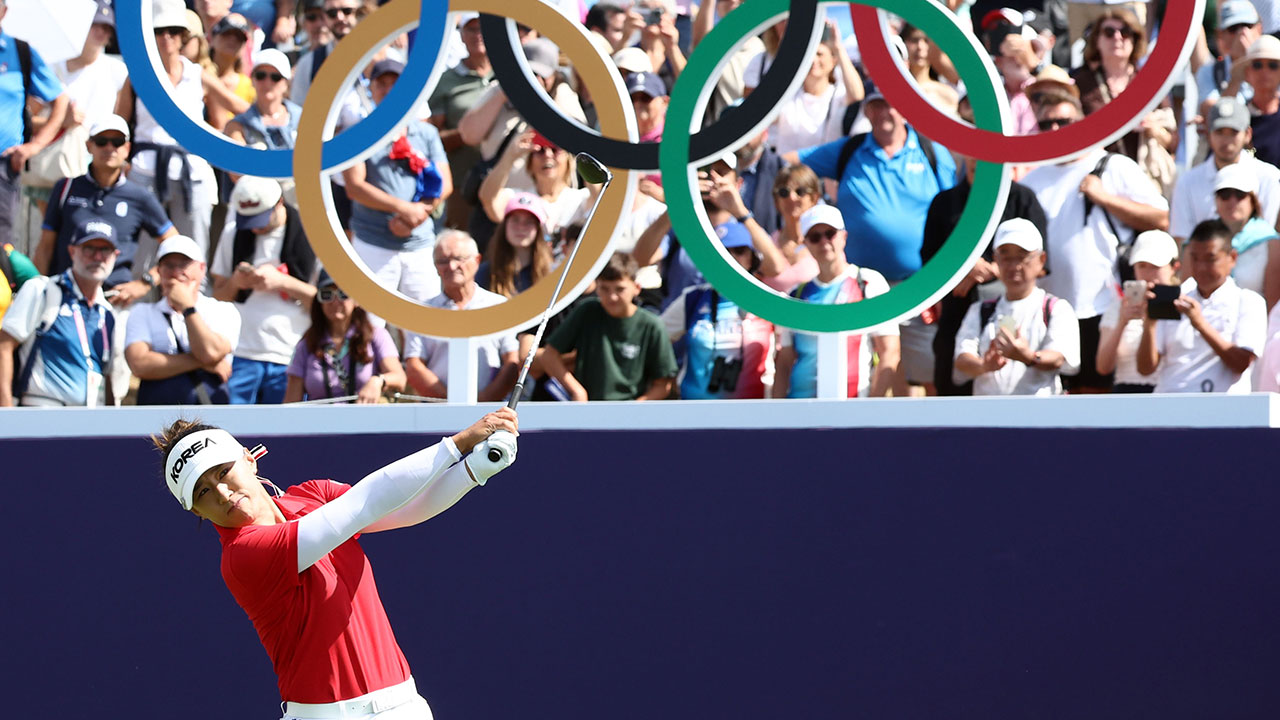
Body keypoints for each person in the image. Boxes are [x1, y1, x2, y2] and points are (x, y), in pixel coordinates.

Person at [150, 406, 518, 720]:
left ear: (248, 458)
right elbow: (366, 503)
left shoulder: (313, 494)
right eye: (203, 492)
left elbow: (406, 508)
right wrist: (460, 442)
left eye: (222, 471)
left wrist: (475, 470)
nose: (222, 492)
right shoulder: (242, 557)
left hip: (404, 705)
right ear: (196, 510)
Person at [1020, 90, 1169, 393]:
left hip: (1100, 306)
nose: (1056, 130)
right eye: (1046, 124)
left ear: (1083, 122)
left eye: (1065, 121)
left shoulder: (1114, 165)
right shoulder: (1032, 179)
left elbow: (1160, 217)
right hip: (1049, 310)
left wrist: (1104, 198)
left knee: (1095, 395)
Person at [923, 97, 1049, 396]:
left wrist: (991, 269)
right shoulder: (944, 204)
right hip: (956, 319)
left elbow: (1043, 263)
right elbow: (928, 264)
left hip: (1013, 328)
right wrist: (962, 270)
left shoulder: (1023, 199)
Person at [116, 0, 250, 258]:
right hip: (145, 168)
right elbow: (120, 122)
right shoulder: (137, 75)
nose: (167, 38)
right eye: (160, 31)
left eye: (174, 31)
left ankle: (194, 297)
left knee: (194, 248)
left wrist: (281, 112)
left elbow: (238, 105)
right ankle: (136, 297)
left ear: (183, 37)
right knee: (140, 252)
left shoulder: (196, 74)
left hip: (191, 168)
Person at [36, 115, 177, 306]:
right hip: (63, 297)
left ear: (127, 148)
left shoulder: (140, 196)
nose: (109, 148)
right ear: (89, 146)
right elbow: (45, 247)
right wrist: (39, 291)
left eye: (117, 142)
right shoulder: (65, 188)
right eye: (102, 141)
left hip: (115, 299)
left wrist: (146, 282)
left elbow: (175, 245)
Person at [344, 59, 451, 310]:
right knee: (370, 324)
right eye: (382, 83)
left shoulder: (425, 133)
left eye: (396, 84)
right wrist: (405, 210)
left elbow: (445, 182)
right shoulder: (358, 133)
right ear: (371, 89)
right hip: (372, 243)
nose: (389, 89)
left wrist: (417, 214)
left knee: (426, 324)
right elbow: (354, 186)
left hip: (419, 243)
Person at [773, 205, 900, 399]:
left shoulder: (867, 282)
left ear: (844, 236)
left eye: (830, 233)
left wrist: (873, 409)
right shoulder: (797, 294)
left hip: (854, 407)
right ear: (805, 243)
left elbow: (890, 351)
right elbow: (784, 362)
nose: (823, 242)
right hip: (799, 408)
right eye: (815, 237)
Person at [211, 176, 317, 404]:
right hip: (241, 355)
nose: (255, 228)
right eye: (248, 221)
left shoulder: (313, 236)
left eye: (259, 220)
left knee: (286, 434)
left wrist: (283, 283)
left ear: (279, 203)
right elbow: (217, 296)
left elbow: (330, 303)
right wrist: (236, 283)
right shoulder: (233, 233)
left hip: (290, 355)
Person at [954, 219, 1082, 396]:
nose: (1014, 266)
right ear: (996, 259)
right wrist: (985, 365)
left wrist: (1028, 357)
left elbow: (1060, 357)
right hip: (987, 418)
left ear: (1041, 259)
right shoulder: (980, 310)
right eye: (1006, 257)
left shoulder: (1056, 309)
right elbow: (961, 358)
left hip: (1040, 418)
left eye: (1022, 256)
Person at [1137, 219, 1267, 393]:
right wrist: (1149, 325)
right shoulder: (1176, 297)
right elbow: (1146, 369)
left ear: (1232, 258)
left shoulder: (1249, 301)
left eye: (1210, 259)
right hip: (1168, 409)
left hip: (1224, 412)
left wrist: (1199, 323)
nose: (1200, 267)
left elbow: (1241, 363)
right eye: (1194, 258)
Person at [0, 221, 118, 407]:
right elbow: (3, 346)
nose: (97, 256)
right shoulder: (42, 290)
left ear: (115, 256)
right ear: (72, 251)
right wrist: (5, 415)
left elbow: (106, 375)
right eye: (89, 248)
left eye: (105, 250)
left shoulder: (108, 313)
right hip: (41, 415)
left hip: (91, 422)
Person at [541, 252, 678, 401]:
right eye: (604, 289)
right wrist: (577, 391)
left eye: (620, 289)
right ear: (596, 287)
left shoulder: (652, 325)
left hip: (630, 414)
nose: (612, 297)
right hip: (587, 410)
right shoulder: (587, 311)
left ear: (636, 288)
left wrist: (635, 408)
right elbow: (549, 356)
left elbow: (664, 384)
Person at [661, 224, 775, 399]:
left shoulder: (768, 301)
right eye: (723, 251)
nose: (731, 257)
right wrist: (664, 379)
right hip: (694, 412)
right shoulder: (693, 298)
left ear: (752, 258)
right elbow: (655, 336)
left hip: (753, 414)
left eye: (739, 250)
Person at [402, 230, 518, 402]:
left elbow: (512, 362)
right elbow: (414, 365)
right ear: (435, 267)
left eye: (459, 259)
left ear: (477, 260)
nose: (451, 266)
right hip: (436, 412)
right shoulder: (423, 311)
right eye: (443, 261)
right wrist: (451, 402)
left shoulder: (498, 306)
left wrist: (484, 401)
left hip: (492, 411)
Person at [125, 235, 242, 405]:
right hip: (156, 417)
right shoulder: (142, 312)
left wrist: (187, 307)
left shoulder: (223, 310)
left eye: (184, 265)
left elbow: (210, 352)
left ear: (202, 269)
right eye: (169, 266)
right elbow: (139, 364)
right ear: (159, 272)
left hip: (209, 416)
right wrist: (202, 363)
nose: (177, 272)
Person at [0, 0, 70, 249]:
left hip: (5, 164)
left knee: (2, 245)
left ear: (4, 11)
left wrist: (35, 146)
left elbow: (60, 99)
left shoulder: (20, 52)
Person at [1170, 95, 1280, 247]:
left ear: (1247, 134)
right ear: (1208, 134)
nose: (1226, 141)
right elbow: (1182, 241)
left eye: (1233, 132)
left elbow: (1268, 236)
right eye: (1220, 132)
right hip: (1203, 267)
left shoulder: (1270, 177)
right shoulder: (1187, 182)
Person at [1072, 10, 1177, 167]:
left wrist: (1152, 128)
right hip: (1097, 173)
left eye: (1125, 32)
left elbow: (1173, 142)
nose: (1117, 37)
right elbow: (1072, 133)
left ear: (1135, 40)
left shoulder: (1149, 82)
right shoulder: (1082, 83)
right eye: (1109, 32)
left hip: (1143, 175)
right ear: (1096, 40)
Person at [284, 270, 406, 403]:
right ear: (319, 301)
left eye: (343, 294)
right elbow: (291, 403)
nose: (335, 302)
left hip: (365, 420)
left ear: (357, 300)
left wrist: (378, 381)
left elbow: (399, 378)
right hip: (320, 421)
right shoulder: (308, 342)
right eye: (326, 294)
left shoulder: (376, 336)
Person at [428, 12, 496, 230]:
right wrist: (471, 131)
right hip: (462, 185)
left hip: (506, 183)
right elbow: (432, 138)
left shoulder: (511, 74)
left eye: (483, 28)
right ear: (462, 35)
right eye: (472, 29)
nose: (478, 35)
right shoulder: (446, 81)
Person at [1096, 230, 1180, 393]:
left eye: (1155, 266)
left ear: (1174, 267)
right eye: (1142, 266)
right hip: (1126, 396)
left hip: (1172, 395)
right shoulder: (1117, 307)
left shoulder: (1186, 305)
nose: (1148, 274)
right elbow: (1103, 367)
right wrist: (1122, 322)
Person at [766, 19, 863, 157]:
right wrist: (785, 52)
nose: (813, 60)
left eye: (819, 54)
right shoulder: (788, 96)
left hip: (823, 175)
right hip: (787, 174)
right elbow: (767, 107)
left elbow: (857, 95)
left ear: (833, 60)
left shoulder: (837, 95)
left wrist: (838, 47)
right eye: (808, 54)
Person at [477, 129, 590, 236]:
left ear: (569, 161)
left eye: (555, 149)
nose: (548, 155)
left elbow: (600, 198)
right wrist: (510, 156)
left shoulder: (582, 197)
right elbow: (488, 199)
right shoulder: (520, 199)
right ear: (530, 164)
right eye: (540, 150)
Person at [1210, 163, 1280, 307]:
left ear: (1253, 200)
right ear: (1216, 200)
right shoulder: (1202, 239)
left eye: (1240, 194)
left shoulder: (1271, 243)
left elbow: (1274, 308)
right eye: (1225, 194)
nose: (1232, 201)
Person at [476, 192, 552, 299]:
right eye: (515, 220)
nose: (521, 227)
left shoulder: (551, 272)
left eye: (529, 222)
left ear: (538, 229)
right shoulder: (485, 272)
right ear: (505, 226)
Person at [225, 49, 300, 153]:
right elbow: (237, 166)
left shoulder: (303, 119)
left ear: (286, 83)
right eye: (261, 75)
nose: (267, 82)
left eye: (275, 77)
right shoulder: (237, 126)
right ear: (253, 80)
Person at [762, 165, 822, 294]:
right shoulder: (766, 244)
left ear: (814, 198)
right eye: (784, 192)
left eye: (800, 191)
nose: (792, 197)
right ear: (776, 200)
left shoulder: (827, 240)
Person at [1196, 0, 1263, 109]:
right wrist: (1239, 68)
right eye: (1233, 28)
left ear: (1259, 29)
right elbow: (1214, 114)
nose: (1241, 33)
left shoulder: (1274, 64)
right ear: (1220, 34)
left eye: (1247, 25)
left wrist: (1254, 61)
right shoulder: (1209, 71)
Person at [207, 13, 256, 131]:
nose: (232, 39)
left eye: (239, 37)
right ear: (212, 39)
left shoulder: (251, 86)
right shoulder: (196, 75)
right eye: (227, 33)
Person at [1243, 35, 1280, 167]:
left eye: (1273, 65)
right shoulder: (1238, 118)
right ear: (1247, 72)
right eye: (1257, 65)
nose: (1265, 71)